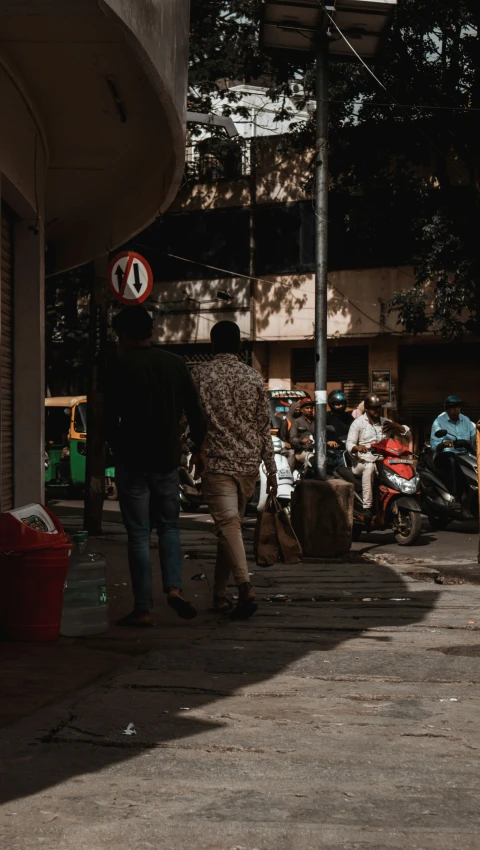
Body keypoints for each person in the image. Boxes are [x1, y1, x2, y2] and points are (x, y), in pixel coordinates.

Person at [105, 306, 207, 627]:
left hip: (132, 461)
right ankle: (174, 589)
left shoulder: (118, 365)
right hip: (166, 459)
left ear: (123, 335)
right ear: (150, 332)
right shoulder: (175, 363)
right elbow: (196, 412)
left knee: (137, 534)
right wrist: (196, 448)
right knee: (169, 527)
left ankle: (143, 608)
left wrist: (117, 447)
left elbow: (108, 419)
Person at [190, 321, 277, 619]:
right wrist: (272, 469)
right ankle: (218, 596)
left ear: (212, 345)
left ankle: (244, 586)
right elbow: (264, 428)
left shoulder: (200, 375)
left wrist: (191, 448)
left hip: (216, 463)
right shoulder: (253, 377)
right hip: (248, 466)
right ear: (240, 346)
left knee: (228, 527)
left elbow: (188, 421)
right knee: (230, 529)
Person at [346, 393, 410, 518]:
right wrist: (357, 447)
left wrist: (396, 426)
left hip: (383, 461)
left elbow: (407, 434)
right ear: (367, 408)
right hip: (362, 462)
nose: (377, 410)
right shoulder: (358, 423)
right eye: (374, 408)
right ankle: (367, 507)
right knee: (369, 467)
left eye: (379, 407)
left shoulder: (386, 423)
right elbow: (349, 443)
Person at [430, 395, 476, 501]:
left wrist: (470, 443)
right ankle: (455, 496)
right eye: (452, 407)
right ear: (447, 409)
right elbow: (435, 445)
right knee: (452, 459)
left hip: (464, 455)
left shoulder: (466, 420)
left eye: (458, 407)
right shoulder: (439, 422)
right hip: (445, 455)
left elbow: (474, 438)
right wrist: (452, 444)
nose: (456, 409)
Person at [289, 397, 315, 464]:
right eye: (307, 408)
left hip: (317, 450)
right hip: (301, 452)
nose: (309, 410)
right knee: (311, 457)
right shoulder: (296, 422)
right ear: (301, 410)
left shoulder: (317, 421)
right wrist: (301, 441)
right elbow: (292, 439)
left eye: (311, 408)